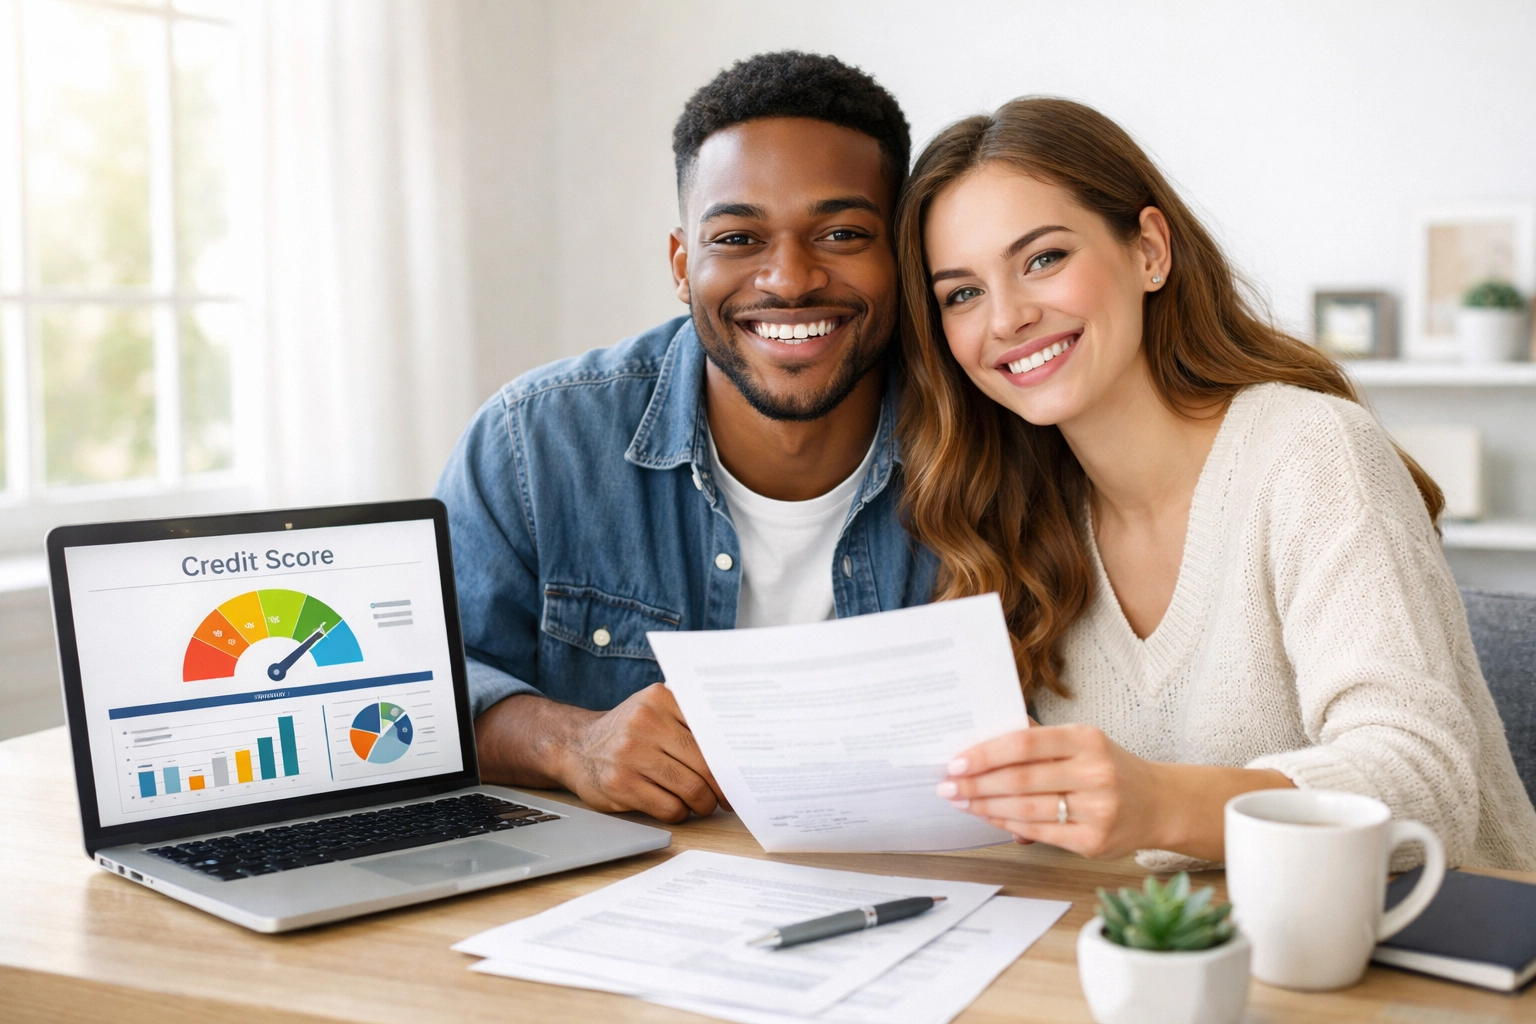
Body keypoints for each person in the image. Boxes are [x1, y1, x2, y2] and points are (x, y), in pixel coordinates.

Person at [895, 97, 1536, 870]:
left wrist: (1159, 804)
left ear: (1149, 252)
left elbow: (1425, 787)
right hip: (1200, 961)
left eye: (1043, 259)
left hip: (1441, 964)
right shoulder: (1022, 519)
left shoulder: (1310, 452)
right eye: (962, 293)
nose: (1006, 319)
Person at [435, 52, 934, 824]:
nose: (790, 279)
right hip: (622, 899)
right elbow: (426, 690)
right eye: (738, 238)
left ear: (902, 254)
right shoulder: (535, 443)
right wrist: (571, 742)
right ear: (681, 262)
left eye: (840, 232)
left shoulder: (986, 443)